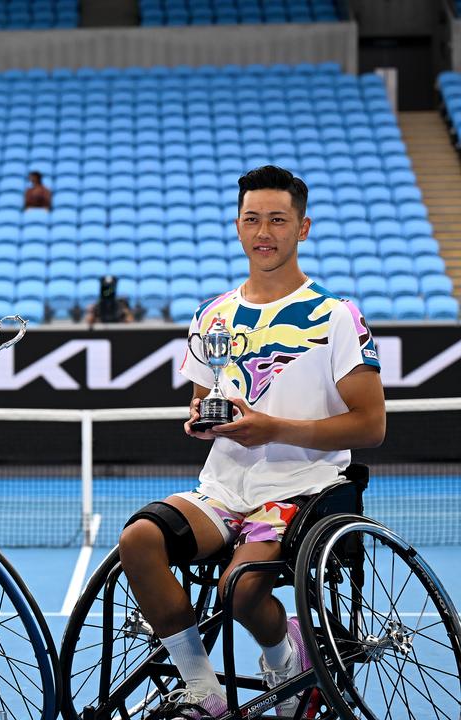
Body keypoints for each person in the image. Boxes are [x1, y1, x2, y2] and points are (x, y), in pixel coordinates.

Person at [116, 165, 385, 718]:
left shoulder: (336, 316)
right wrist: (201, 420)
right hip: (223, 488)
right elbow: (203, 400)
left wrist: (273, 428)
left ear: (302, 228)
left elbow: (371, 425)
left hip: (303, 489)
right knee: (138, 540)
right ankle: (203, 690)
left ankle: (287, 656)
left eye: (278, 220)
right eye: (252, 219)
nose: (264, 232)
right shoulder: (211, 315)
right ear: (238, 226)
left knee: (238, 589)